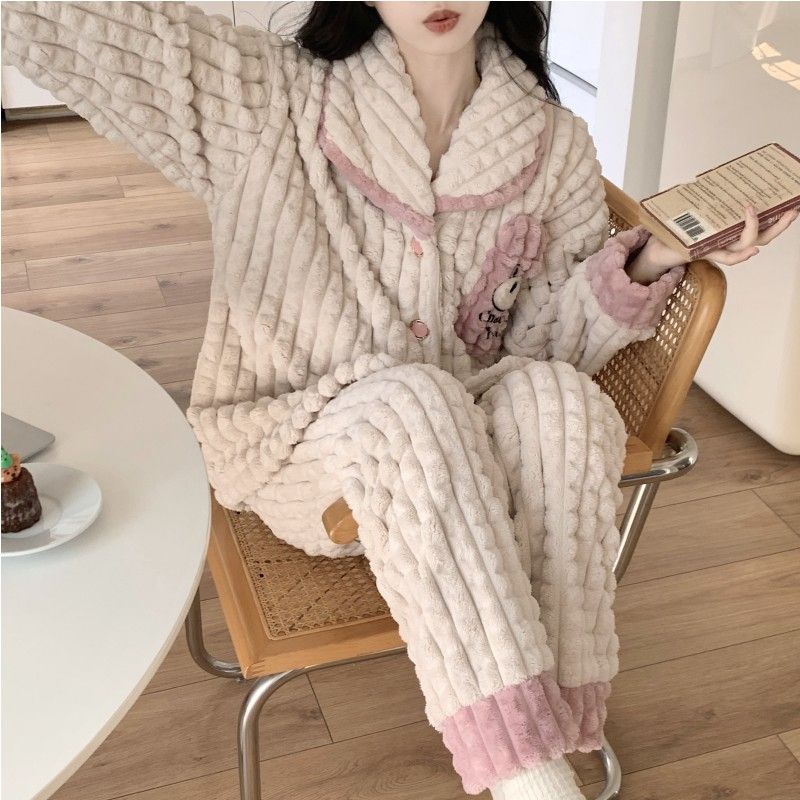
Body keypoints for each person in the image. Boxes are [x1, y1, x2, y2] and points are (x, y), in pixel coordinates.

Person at [2, 2, 796, 797]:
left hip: (462, 470)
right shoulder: (258, 95)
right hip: (299, 443)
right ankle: (533, 778)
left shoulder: (555, 143)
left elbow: (548, 343)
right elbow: (75, 26)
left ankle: (550, 732)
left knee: (561, 397)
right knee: (410, 405)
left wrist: (654, 259)